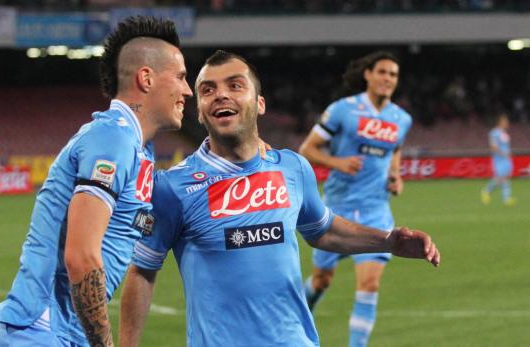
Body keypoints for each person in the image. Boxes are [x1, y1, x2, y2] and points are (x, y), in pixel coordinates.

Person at [119, 50, 440, 347]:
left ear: (259, 103)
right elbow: (143, 270)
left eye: (235, 85)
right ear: (200, 113)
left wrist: (389, 241)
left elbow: (323, 229)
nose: (221, 95)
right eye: (207, 90)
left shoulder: (292, 168)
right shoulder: (172, 187)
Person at [0, 16, 192, 347]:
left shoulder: (139, 151)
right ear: (146, 78)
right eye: (180, 77)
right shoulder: (113, 138)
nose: (187, 90)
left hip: (61, 334)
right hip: (39, 332)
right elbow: (81, 256)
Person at [299, 50, 412, 347]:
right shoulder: (342, 110)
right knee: (322, 280)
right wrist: (338, 163)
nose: (388, 79)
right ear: (368, 75)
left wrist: (395, 175)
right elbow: (307, 149)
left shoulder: (401, 118)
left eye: (393, 75)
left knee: (369, 284)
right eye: (383, 72)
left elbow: (395, 149)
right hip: (337, 209)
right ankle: (296, 322)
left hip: (376, 211)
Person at [481, 114, 515, 205]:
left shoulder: (505, 134)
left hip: (506, 159)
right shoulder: (494, 133)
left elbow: (505, 146)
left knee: (505, 178)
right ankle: (488, 191)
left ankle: (504, 198)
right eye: (505, 121)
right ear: (500, 122)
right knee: (500, 179)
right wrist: (503, 153)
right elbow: (493, 147)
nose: (507, 123)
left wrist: (508, 154)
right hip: (499, 159)